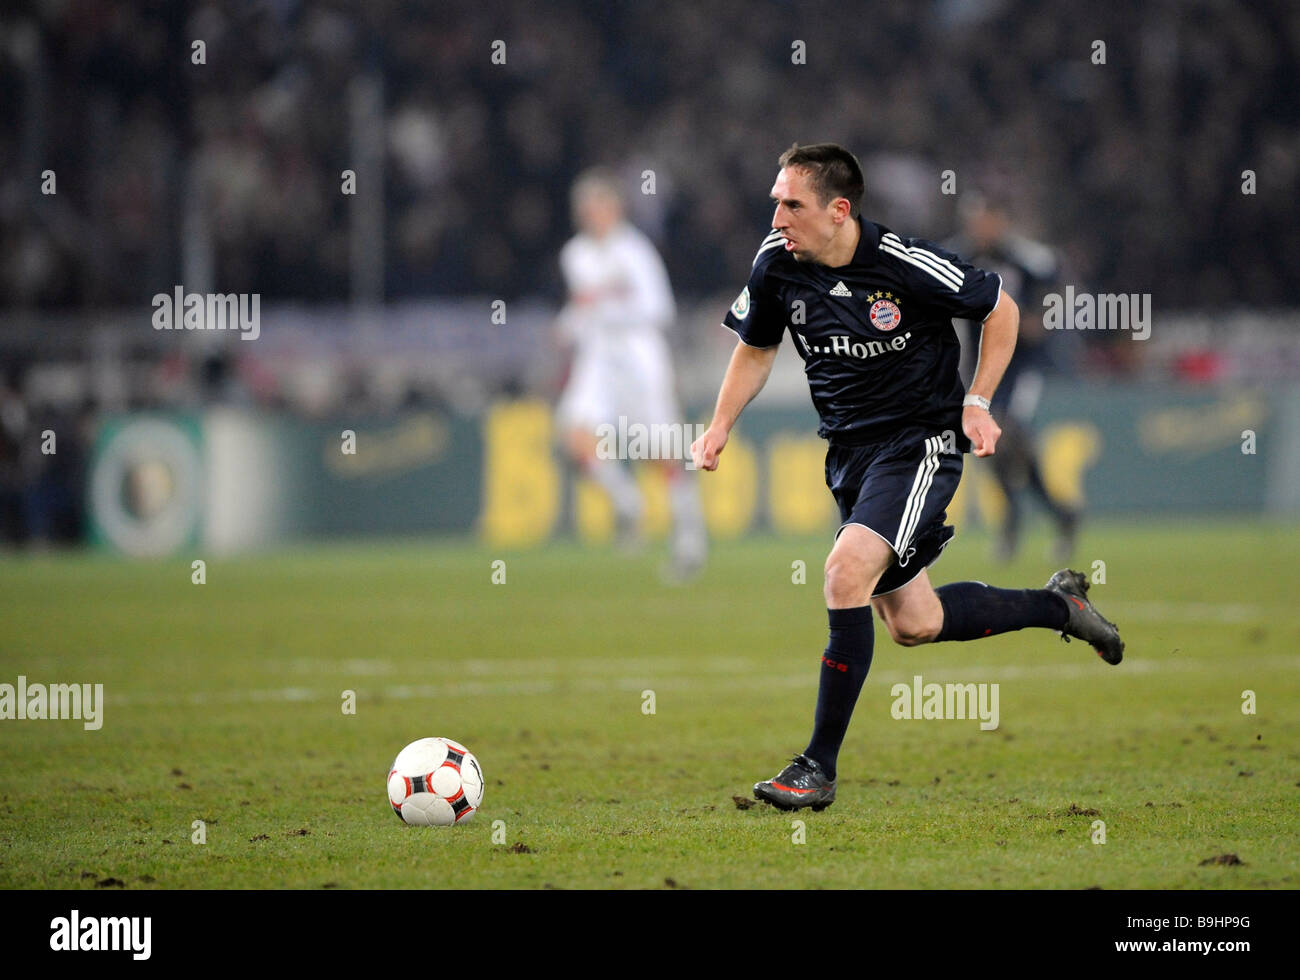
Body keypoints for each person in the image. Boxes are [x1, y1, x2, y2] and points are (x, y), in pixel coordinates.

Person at [690, 143, 1123, 811]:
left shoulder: (903, 263)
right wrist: (719, 426)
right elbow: (756, 348)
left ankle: (817, 767)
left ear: (838, 211)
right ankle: (1059, 606)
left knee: (844, 572)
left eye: (791, 203)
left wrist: (976, 402)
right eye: (776, 201)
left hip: (919, 444)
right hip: (850, 459)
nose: (777, 215)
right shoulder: (776, 264)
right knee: (915, 623)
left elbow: (1001, 309)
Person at [554, 168, 707, 580]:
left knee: (660, 449)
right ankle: (628, 502)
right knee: (574, 432)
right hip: (598, 353)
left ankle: (690, 541)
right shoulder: (575, 254)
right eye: (585, 208)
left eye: (599, 205)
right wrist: (567, 326)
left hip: (639, 352)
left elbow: (660, 309)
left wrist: (605, 303)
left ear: (615, 207)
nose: (592, 214)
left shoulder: (636, 251)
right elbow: (582, 308)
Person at [946, 191, 1079, 562]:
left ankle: (1015, 517)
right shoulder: (960, 256)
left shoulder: (1030, 259)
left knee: (1006, 431)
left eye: (986, 219)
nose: (979, 228)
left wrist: (1041, 321)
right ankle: (1059, 513)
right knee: (990, 442)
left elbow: (1059, 292)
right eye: (974, 220)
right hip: (983, 365)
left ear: (1001, 221)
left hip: (1024, 366)